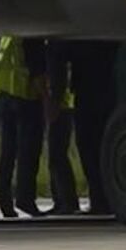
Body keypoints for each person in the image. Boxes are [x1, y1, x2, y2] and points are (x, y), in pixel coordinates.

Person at [0, 35, 46, 218]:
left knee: (7, 152)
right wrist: (47, 99)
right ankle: (25, 198)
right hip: (27, 96)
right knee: (29, 152)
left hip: (7, 95)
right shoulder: (31, 32)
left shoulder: (8, 34)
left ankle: (5, 201)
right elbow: (35, 67)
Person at [66, 41, 122, 216]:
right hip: (104, 91)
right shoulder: (106, 40)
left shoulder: (82, 41)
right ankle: (104, 199)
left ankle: (99, 200)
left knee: (89, 147)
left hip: (87, 93)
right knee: (102, 148)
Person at [43, 41, 81, 215]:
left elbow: (58, 80)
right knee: (56, 156)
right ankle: (61, 200)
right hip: (63, 106)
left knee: (57, 155)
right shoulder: (58, 48)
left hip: (61, 108)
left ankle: (67, 201)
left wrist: (54, 103)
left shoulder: (55, 49)